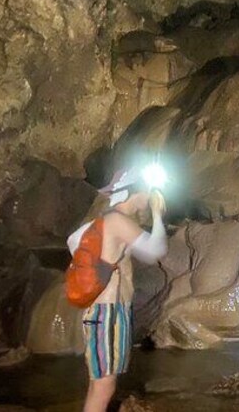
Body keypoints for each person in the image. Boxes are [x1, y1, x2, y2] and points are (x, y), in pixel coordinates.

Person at [67, 167, 169, 412]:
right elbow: (156, 250)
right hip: (107, 313)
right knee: (104, 387)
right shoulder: (117, 221)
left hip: (108, 312)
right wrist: (157, 214)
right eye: (147, 191)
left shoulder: (112, 222)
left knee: (101, 385)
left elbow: (73, 241)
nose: (148, 197)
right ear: (136, 191)